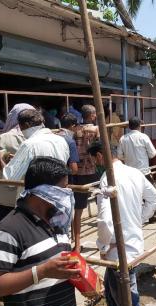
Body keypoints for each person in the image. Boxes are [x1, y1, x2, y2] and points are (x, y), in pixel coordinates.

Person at [0, 157, 80, 306]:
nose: (67, 194)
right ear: (44, 192)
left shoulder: (58, 221)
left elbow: (58, 269)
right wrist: (41, 272)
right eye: (63, 189)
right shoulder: (9, 230)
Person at [89, 142, 156, 306]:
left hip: (118, 249)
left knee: (126, 300)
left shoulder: (108, 178)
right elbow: (154, 198)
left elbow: (105, 220)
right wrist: (139, 219)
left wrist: (103, 246)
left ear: (99, 156)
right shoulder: (134, 172)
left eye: (93, 160)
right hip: (133, 243)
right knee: (117, 293)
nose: (94, 164)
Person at [0, 103, 35, 225]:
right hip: (33, 198)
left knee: (4, 236)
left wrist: (0, 162)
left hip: (6, 199)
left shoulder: (3, 139)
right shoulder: (38, 137)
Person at [3, 109, 69, 181]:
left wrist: (1, 159)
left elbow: (10, 178)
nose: (21, 131)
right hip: (59, 190)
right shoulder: (61, 140)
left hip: (39, 191)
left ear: (26, 125)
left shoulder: (29, 145)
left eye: (20, 128)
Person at [72, 104, 100, 253]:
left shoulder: (75, 130)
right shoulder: (96, 130)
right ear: (92, 115)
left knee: (78, 209)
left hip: (78, 173)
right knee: (103, 204)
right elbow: (99, 150)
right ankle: (104, 240)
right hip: (93, 170)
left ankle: (76, 244)